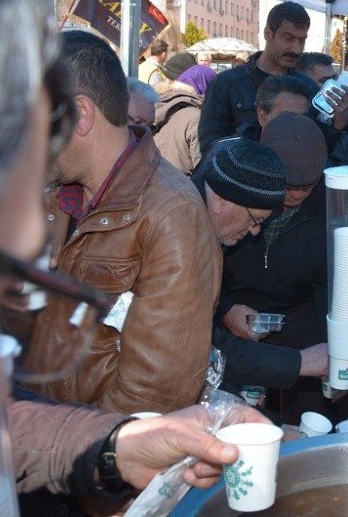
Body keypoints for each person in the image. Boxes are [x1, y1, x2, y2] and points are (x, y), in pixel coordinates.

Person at [0, 0, 266, 513]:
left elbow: (148, 390)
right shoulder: (44, 198)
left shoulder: (170, 212)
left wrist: (105, 455)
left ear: (78, 116)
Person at [20, 31, 223, 415]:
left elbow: (154, 395)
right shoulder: (48, 191)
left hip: (93, 463)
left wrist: (69, 455)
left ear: (80, 115)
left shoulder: (172, 215)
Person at [218, 114, 335, 424]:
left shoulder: (329, 205)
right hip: (232, 314)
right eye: (287, 187)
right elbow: (202, 263)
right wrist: (226, 308)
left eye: (306, 188)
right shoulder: (234, 190)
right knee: (240, 416)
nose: (295, 196)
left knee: (305, 420)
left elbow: (327, 287)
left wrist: (331, 352)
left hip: (295, 319)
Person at [198, 2, 348, 155]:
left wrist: (339, 123)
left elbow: (321, 146)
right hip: (243, 177)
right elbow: (210, 146)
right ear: (268, 34)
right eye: (288, 38)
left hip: (297, 177)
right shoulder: (227, 83)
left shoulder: (307, 86)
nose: (296, 48)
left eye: (302, 40)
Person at [153, 73, 205, 175]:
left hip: (154, 182)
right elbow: (201, 162)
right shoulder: (195, 117)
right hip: (184, 184)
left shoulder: (148, 113)